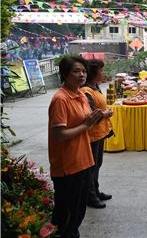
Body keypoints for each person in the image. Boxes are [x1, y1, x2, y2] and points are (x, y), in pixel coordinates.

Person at [49, 57, 103, 238]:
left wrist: (97, 118)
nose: (81, 75)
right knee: (66, 213)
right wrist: (85, 126)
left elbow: (87, 121)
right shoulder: (61, 99)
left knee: (78, 210)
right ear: (64, 74)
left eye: (84, 71)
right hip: (67, 165)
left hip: (84, 159)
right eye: (76, 71)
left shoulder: (80, 94)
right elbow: (59, 135)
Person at [80, 59, 114, 209]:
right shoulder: (85, 91)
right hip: (92, 133)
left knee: (97, 164)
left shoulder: (95, 87)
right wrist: (105, 114)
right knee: (91, 165)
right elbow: (91, 113)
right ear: (94, 73)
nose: (103, 73)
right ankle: (90, 196)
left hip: (100, 132)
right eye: (101, 70)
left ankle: (96, 190)